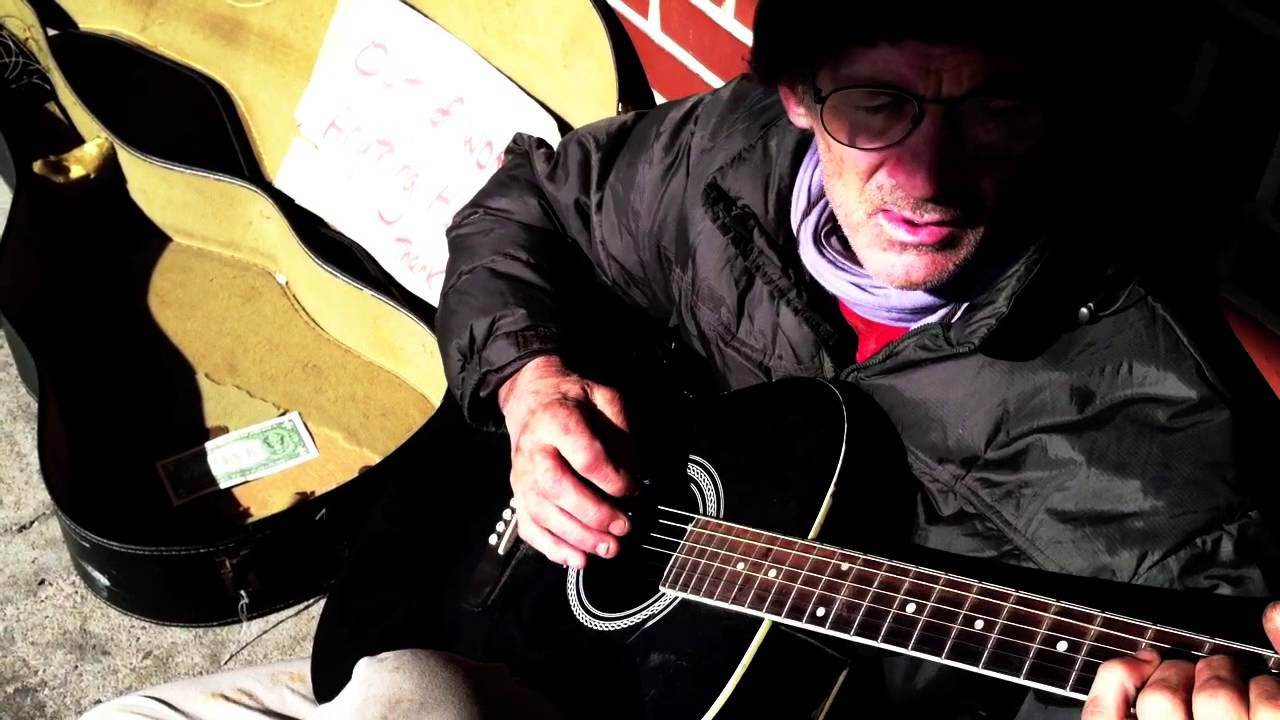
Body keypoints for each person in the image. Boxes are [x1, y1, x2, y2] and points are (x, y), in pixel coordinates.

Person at [83, 1, 1280, 718]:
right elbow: (525, 209)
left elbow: (1177, 633)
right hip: (504, 615)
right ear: (796, 98)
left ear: (1046, 114)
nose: (925, 174)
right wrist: (527, 384)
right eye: (875, 106)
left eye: (989, 107)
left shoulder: (1136, 422)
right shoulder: (731, 157)